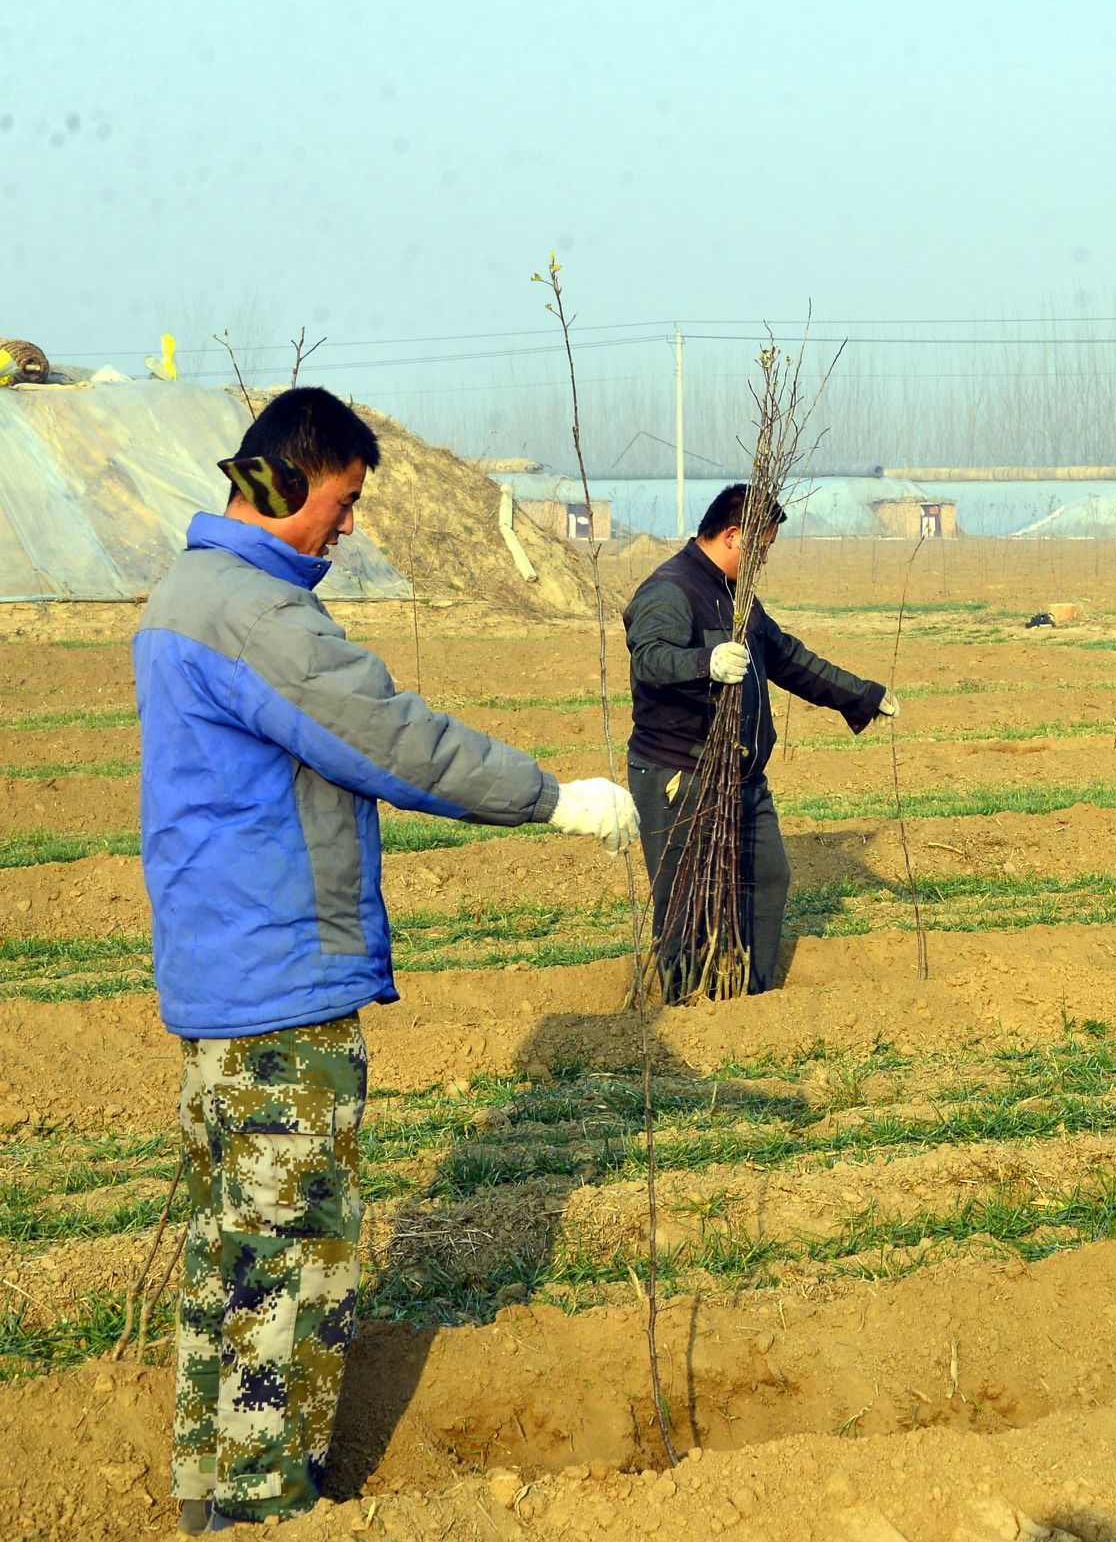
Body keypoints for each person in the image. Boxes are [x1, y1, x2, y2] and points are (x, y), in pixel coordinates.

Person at [134, 387, 640, 1532]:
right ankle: (262, 1511)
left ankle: (211, 1495)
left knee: (232, 1257)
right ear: (284, 480)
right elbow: (389, 736)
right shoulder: (253, 614)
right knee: (295, 1262)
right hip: (278, 993)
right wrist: (551, 799)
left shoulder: (184, 593)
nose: (349, 527)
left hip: (223, 983)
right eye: (345, 500)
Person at [625, 484, 896, 997]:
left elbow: (787, 657)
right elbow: (649, 658)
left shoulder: (737, 596)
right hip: (679, 773)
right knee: (683, 900)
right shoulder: (670, 589)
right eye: (763, 548)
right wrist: (704, 662)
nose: (765, 560)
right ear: (733, 536)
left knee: (768, 878)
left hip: (741, 775)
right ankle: (683, 1007)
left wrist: (860, 696)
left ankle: (751, 999)